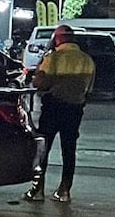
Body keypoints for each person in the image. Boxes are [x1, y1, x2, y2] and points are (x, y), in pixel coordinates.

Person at [24, 25, 95, 203]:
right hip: (74, 110)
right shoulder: (87, 60)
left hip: (53, 108)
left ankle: (37, 190)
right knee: (69, 151)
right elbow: (89, 89)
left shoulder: (53, 58)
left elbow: (40, 83)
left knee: (43, 149)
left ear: (58, 39)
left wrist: (36, 74)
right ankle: (64, 191)